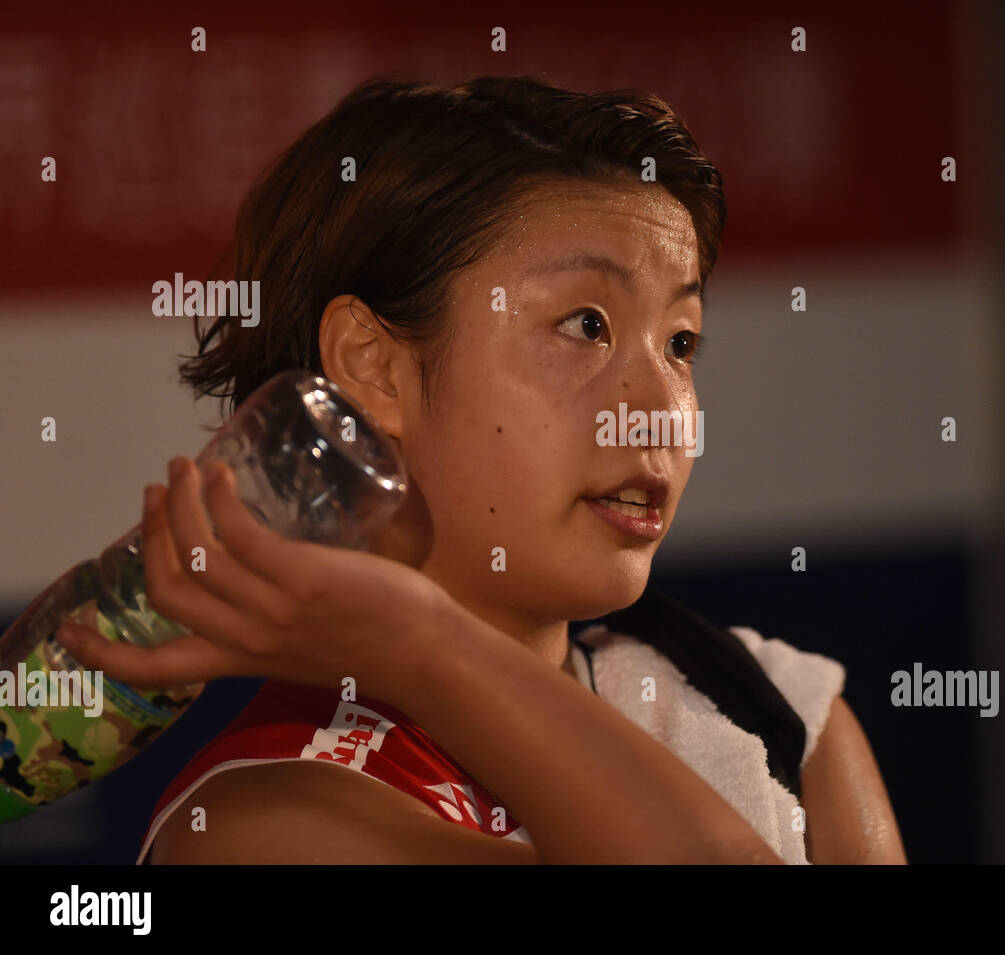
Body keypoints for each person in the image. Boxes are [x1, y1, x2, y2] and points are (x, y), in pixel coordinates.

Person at [55, 75, 906, 865]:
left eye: (681, 341)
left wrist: (424, 645)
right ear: (374, 366)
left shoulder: (776, 711)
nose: (658, 406)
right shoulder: (262, 821)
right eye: (584, 325)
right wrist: (418, 645)